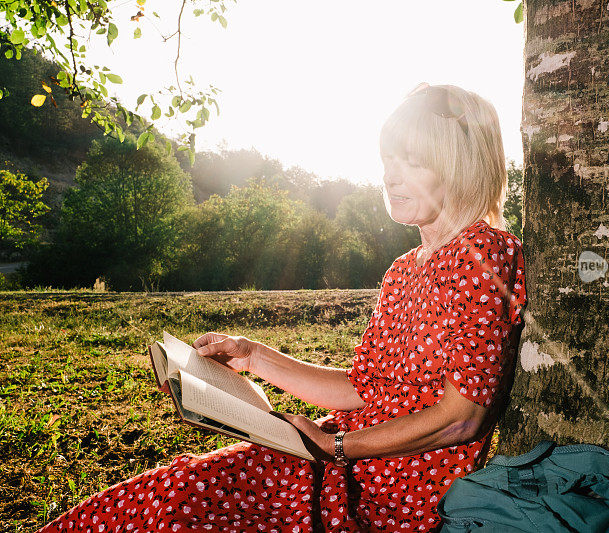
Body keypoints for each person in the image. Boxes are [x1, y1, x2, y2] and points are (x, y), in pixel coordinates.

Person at [39, 82, 526, 532]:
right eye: (387, 157)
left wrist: (336, 448)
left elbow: (461, 417)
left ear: (460, 166)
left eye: (412, 162)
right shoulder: (403, 269)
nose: (390, 175)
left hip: (387, 490)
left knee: (178, 502)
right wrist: (256, 356)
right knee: (158, 493)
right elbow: (363, 389)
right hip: (342, 457)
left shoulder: (483, 254)